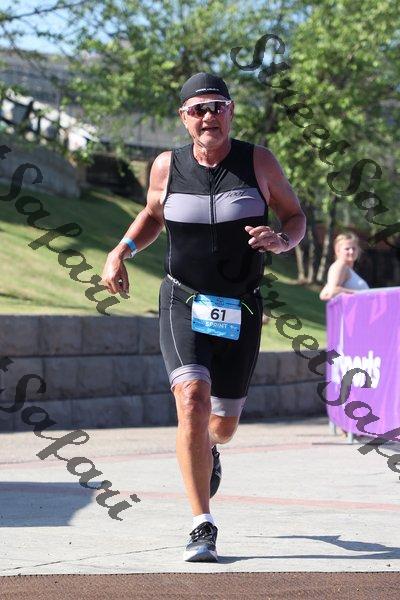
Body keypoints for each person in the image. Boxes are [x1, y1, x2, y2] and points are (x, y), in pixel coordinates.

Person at [101, 72, 306, 562]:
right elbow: (153, 215)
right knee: (192, 397)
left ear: (231, 112)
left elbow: (295, 217)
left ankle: (210, 449)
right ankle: (201, 524)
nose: (208, 116)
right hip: (183, 299)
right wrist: (120, 251)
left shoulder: (259, 162)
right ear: (184, 118)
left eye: (217, 107)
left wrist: (282, 240)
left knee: (224, 425)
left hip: (241, 305)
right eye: (198, 109)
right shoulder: (166, 166)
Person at [319, 232, 369, 301]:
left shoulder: (346, 268)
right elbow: (332, 292)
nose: (351, 251)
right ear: (337, 250)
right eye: (347, 249)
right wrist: (361, 294)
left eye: (354, 248)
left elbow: (324, 294)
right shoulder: (340, 265)